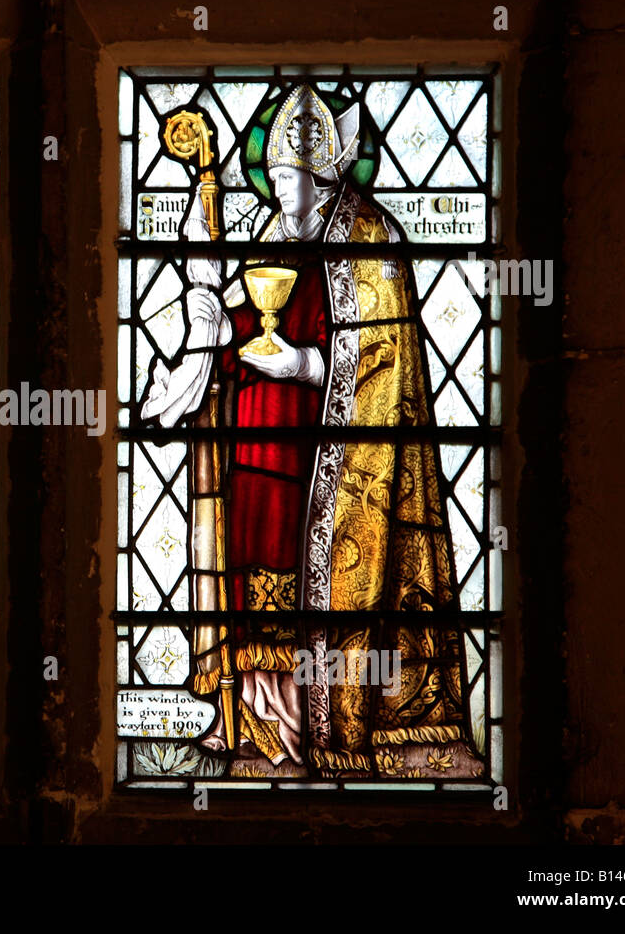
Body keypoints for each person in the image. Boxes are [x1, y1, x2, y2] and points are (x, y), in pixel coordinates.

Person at [142, 84, 474, 777]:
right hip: (260, 444)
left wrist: (305, 364)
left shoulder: (368, 238)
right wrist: (200, 349)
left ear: (325, 175)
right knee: (258, 588)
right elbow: (243, 323)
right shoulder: (271, 234)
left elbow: (384, 359)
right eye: (275, 177)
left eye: (294, 179)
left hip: (331, 460)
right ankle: (265, 734)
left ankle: (325, 734)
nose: (280, 192)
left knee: (313, 590)